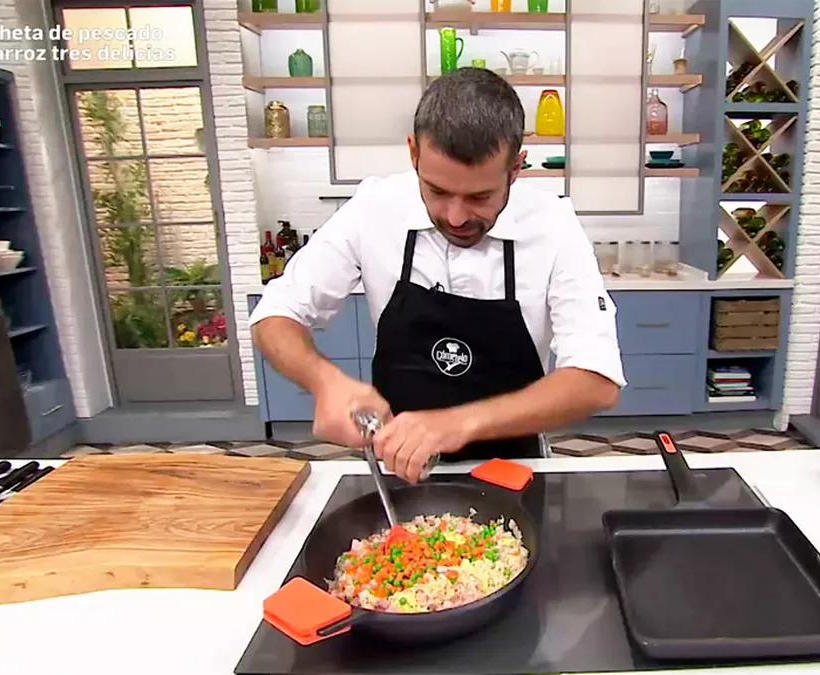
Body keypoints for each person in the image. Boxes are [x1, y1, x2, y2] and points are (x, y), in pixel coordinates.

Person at [249, 67, 625, 483]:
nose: (456, 216)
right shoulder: (374, 208)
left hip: (516, 470)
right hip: (398, 470)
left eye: (480, 196)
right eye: (437, 191)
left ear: (516, 168)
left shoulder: (553, 225)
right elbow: (275, 313)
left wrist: (456, 424)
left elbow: (597, 379)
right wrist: (325, 382)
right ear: (413, 153)